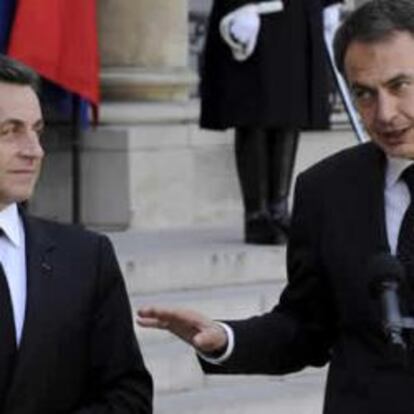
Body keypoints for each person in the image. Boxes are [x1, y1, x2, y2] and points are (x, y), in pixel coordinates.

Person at [137, 1, 414, 412]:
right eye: (364, 94)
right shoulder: (326, 190)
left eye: (400, 86)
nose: (385, 113)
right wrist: (226, 339)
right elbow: (306, 325)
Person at [0, 55, 153, 413]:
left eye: (37, 131)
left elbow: (128, 396)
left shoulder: (86, 258)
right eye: (9, 131)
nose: (34, 151)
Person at [200, 0, 342, 244]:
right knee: (254, 110)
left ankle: (279, 210)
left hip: (298, 12)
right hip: (257, 10)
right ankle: (256, 214)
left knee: (291, 110)